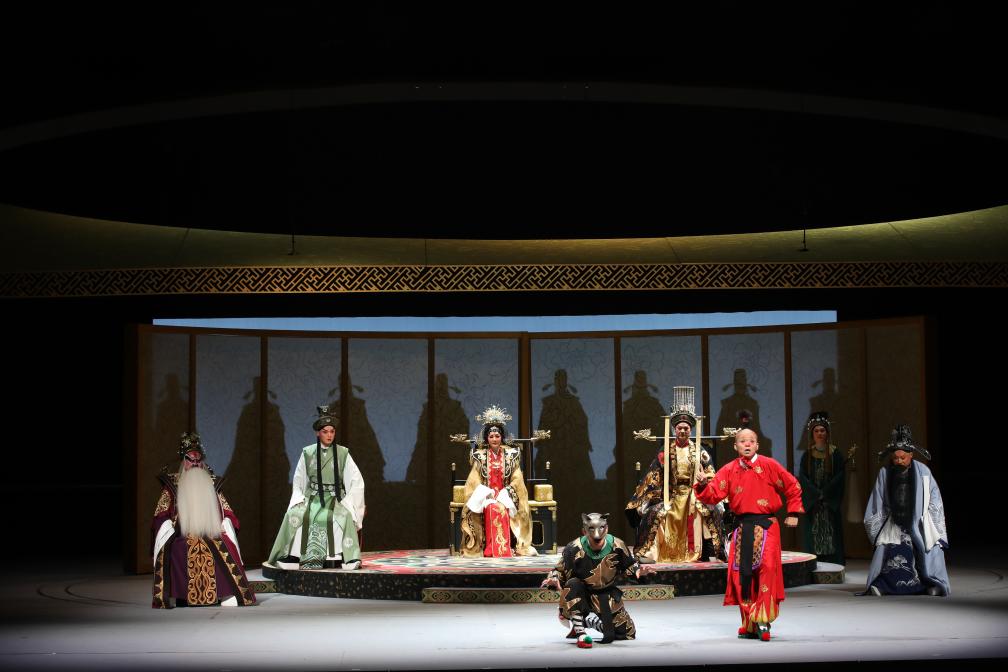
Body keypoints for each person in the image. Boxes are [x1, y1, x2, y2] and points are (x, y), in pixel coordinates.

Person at [694, 418, 803, 641]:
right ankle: (749, 623)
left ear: (757, 445)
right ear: (735, 446)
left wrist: (793, 513)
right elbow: (713, 495)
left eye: (751, 441)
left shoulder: (769, 465)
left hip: (766, 525)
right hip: (742, 527)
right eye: (742, 441)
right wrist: (703, 484)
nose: (747, 444)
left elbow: (792, 485)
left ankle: (762, 620)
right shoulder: (729, 469)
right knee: (742, 574)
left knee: (766, 568)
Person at [151, 432, 256, 608]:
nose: (195, 464)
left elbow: (227, 512)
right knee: (176, 549)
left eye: (198, 460)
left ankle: (227, 593)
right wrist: (168, 527)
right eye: (190, 460)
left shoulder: (213, 484)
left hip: (210, 532)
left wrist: (226, 524)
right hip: (181, 534)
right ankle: (180, 595)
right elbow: (160, 515)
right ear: (183, 461)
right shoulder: (172, 486)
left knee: (222, 546)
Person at [625, 387, 723, 563]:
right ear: (674, 430)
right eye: (679, 428)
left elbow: (711, 474)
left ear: (690, 430)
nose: (683, 431)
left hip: (694, 495)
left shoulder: (700, 451)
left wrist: (704, 481)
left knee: (710, 512)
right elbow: (653, 475)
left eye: (686, 428)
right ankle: (651, 553)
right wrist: (652, 494)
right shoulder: (665, 451)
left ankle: (711, 552)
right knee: (654, 513)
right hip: (671, 495)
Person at [267, 404, 365, 570]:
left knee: (344, 516)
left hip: (335, 497)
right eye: (325, 432)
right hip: (312, 496)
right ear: (318, 433)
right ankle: (292, 556)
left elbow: (356, 481)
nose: (329, 435)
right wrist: (299, 499)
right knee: (294, 515)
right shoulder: (308, 452)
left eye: (332, 431)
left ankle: (348, 557)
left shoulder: (343, 453)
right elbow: (299, 480)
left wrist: (349, 502)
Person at [541, 512, 656, 648]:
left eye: (601, 529)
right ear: (584, 531)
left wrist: (639, 571)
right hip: (581, 594)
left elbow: (629, 565)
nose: (597, 536)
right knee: (573, 584)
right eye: (591, 532)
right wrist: (554, 579)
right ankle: (580, 632)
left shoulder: (617, 545)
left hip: (605, 595)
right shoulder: (573, 548)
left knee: (626, 633)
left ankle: (587, 621)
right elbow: (559, 570)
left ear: (606, 529)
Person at [863, 424, 949, 596]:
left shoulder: (924, 472)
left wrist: (928, 520)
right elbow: (877, 502)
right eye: (895, 458)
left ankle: (931, 584)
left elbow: (935, 498)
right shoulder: (885, 473)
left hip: (919, 524)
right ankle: (882, 586)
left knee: (926, 549)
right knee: (891, 550)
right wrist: (881, 525)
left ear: (911, 454)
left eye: (903, 457)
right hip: (893, 525)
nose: (899, 461)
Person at [460, 405, 537, 557]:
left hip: (506, 496)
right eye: (491, 437)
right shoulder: (480, 456)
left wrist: (506, 492)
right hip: (486, 497)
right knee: (492, 508)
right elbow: (473, 480)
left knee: (501, 507)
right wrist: (485, 493)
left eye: (497, 436)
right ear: (486, 438)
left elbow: (517, 479)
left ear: (501, 437)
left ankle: (505, 548)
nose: (494, 439)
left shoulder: (511, 455)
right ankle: (491, 548)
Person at [798, 411, 847, 564]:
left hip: (829, 503)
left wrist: (825, 493)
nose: (819, 433)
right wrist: (815, 494)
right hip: (813, 504)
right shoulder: (807, 455)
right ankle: (812, 563)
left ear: (827, 433)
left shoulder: (835, 454)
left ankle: (834, 563)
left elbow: (840, 477)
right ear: (812, 434)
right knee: (813, 534)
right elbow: (803, 478)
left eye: (822, 430)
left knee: (831, 533)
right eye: (816, 431)